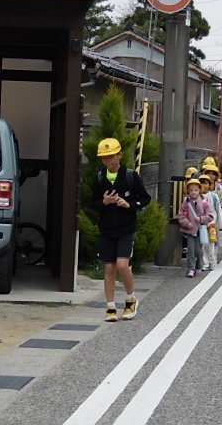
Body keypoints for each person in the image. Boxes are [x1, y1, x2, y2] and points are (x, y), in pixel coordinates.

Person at [93, 138, 151, 322]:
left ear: (120, 155)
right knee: (109, 267)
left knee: (122, 265)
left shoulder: (130, 176)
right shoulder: (99, 177)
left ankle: (130, 299)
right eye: (104, 158)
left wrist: (129, 204)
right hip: (106, 229)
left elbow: (145, 198)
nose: (108, 161)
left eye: (111, 156)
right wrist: (104, 202)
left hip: (126, 228)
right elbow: (91, 204)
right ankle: (110, 306)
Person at [178, 178, 214, 277]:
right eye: (191, 190)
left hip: (200, 230)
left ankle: (199, 266)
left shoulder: (204, 202)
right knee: (190, 250)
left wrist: (201, 219)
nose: (193, 192)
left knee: (199, 251)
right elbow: (181, 215)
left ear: (199, 190)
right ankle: (191, 268)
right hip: (190, 230)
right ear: (187, 191)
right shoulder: (186, 202)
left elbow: (210, 216)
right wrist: (186, 223)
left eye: (195, 190)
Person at [198, 173, 222, 271]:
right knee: (202, 244)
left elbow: (218, 211)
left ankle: (212, 262)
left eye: (206, 183)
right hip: (201, 224)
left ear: (209, 184)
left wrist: (220, 224)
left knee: (211, 244)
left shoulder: (214, 196)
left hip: (212, 224)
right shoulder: (197, 196)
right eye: (202, 183)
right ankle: (205, 263)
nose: (204, 185)